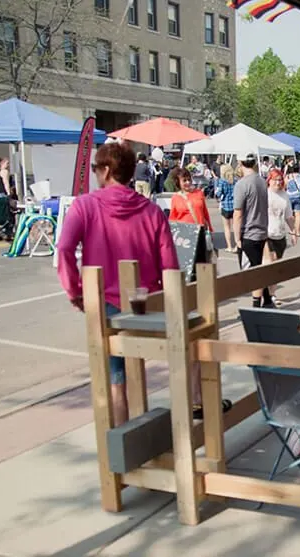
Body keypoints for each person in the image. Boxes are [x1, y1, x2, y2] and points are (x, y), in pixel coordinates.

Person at [56, 141, 180, 425]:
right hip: (146, 305)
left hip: (106, 304)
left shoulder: (85, 206)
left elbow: (63, 250)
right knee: (141, 369)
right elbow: (170, 266)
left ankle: (125, 446)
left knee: (116, 381)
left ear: (107, 170)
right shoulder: (151, 211)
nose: (95, 174)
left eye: (96, 169)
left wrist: (75, 291)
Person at [233, 152, 272, 307]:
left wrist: (236, 239)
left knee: (254, 270)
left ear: (241, 163)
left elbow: (238, 213)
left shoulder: (242, 184)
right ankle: (267, 299)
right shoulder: (262, 181)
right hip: (262, 229)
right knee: (259, 266)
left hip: (249, 232)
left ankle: (257, 304)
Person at [168, 166, 215, 261]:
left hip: (199, 232)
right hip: (184, 235)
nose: (188, 183)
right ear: (178, 182)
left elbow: (205, 213)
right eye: (184, 180)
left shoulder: (199, 193)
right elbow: (173, 218)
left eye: (189, 180)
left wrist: (210, 229)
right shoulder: (176, 198)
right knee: (187, 263)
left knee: (201, 262)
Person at [266, 169, 297, 307]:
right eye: (275, 180)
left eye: (280, 180)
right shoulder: (265, 194)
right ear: (269, 180)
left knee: (277, 267)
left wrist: (294, 231)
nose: (278, 182)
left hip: (280, 234)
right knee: (270, 264)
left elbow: (289, 216)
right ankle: (269, 295)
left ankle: (271, 292)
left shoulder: (284, 195)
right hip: (267, 234)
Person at [284, 163, 300, 238]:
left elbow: (284, 187)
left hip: (289, 197)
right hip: (298, 197)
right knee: (298, 215)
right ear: (299, 169)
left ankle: (292, 230)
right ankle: (298, 232)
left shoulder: (287, 177)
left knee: (290, 215)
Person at [215, 163, 236, 253]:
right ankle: (237, 245)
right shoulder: (236, 181)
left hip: (226, 205)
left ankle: (229, 246)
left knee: (227, 227)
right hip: (235, 205)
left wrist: (217, 195)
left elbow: (218, 194)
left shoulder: (222, 181)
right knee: (236, 227)